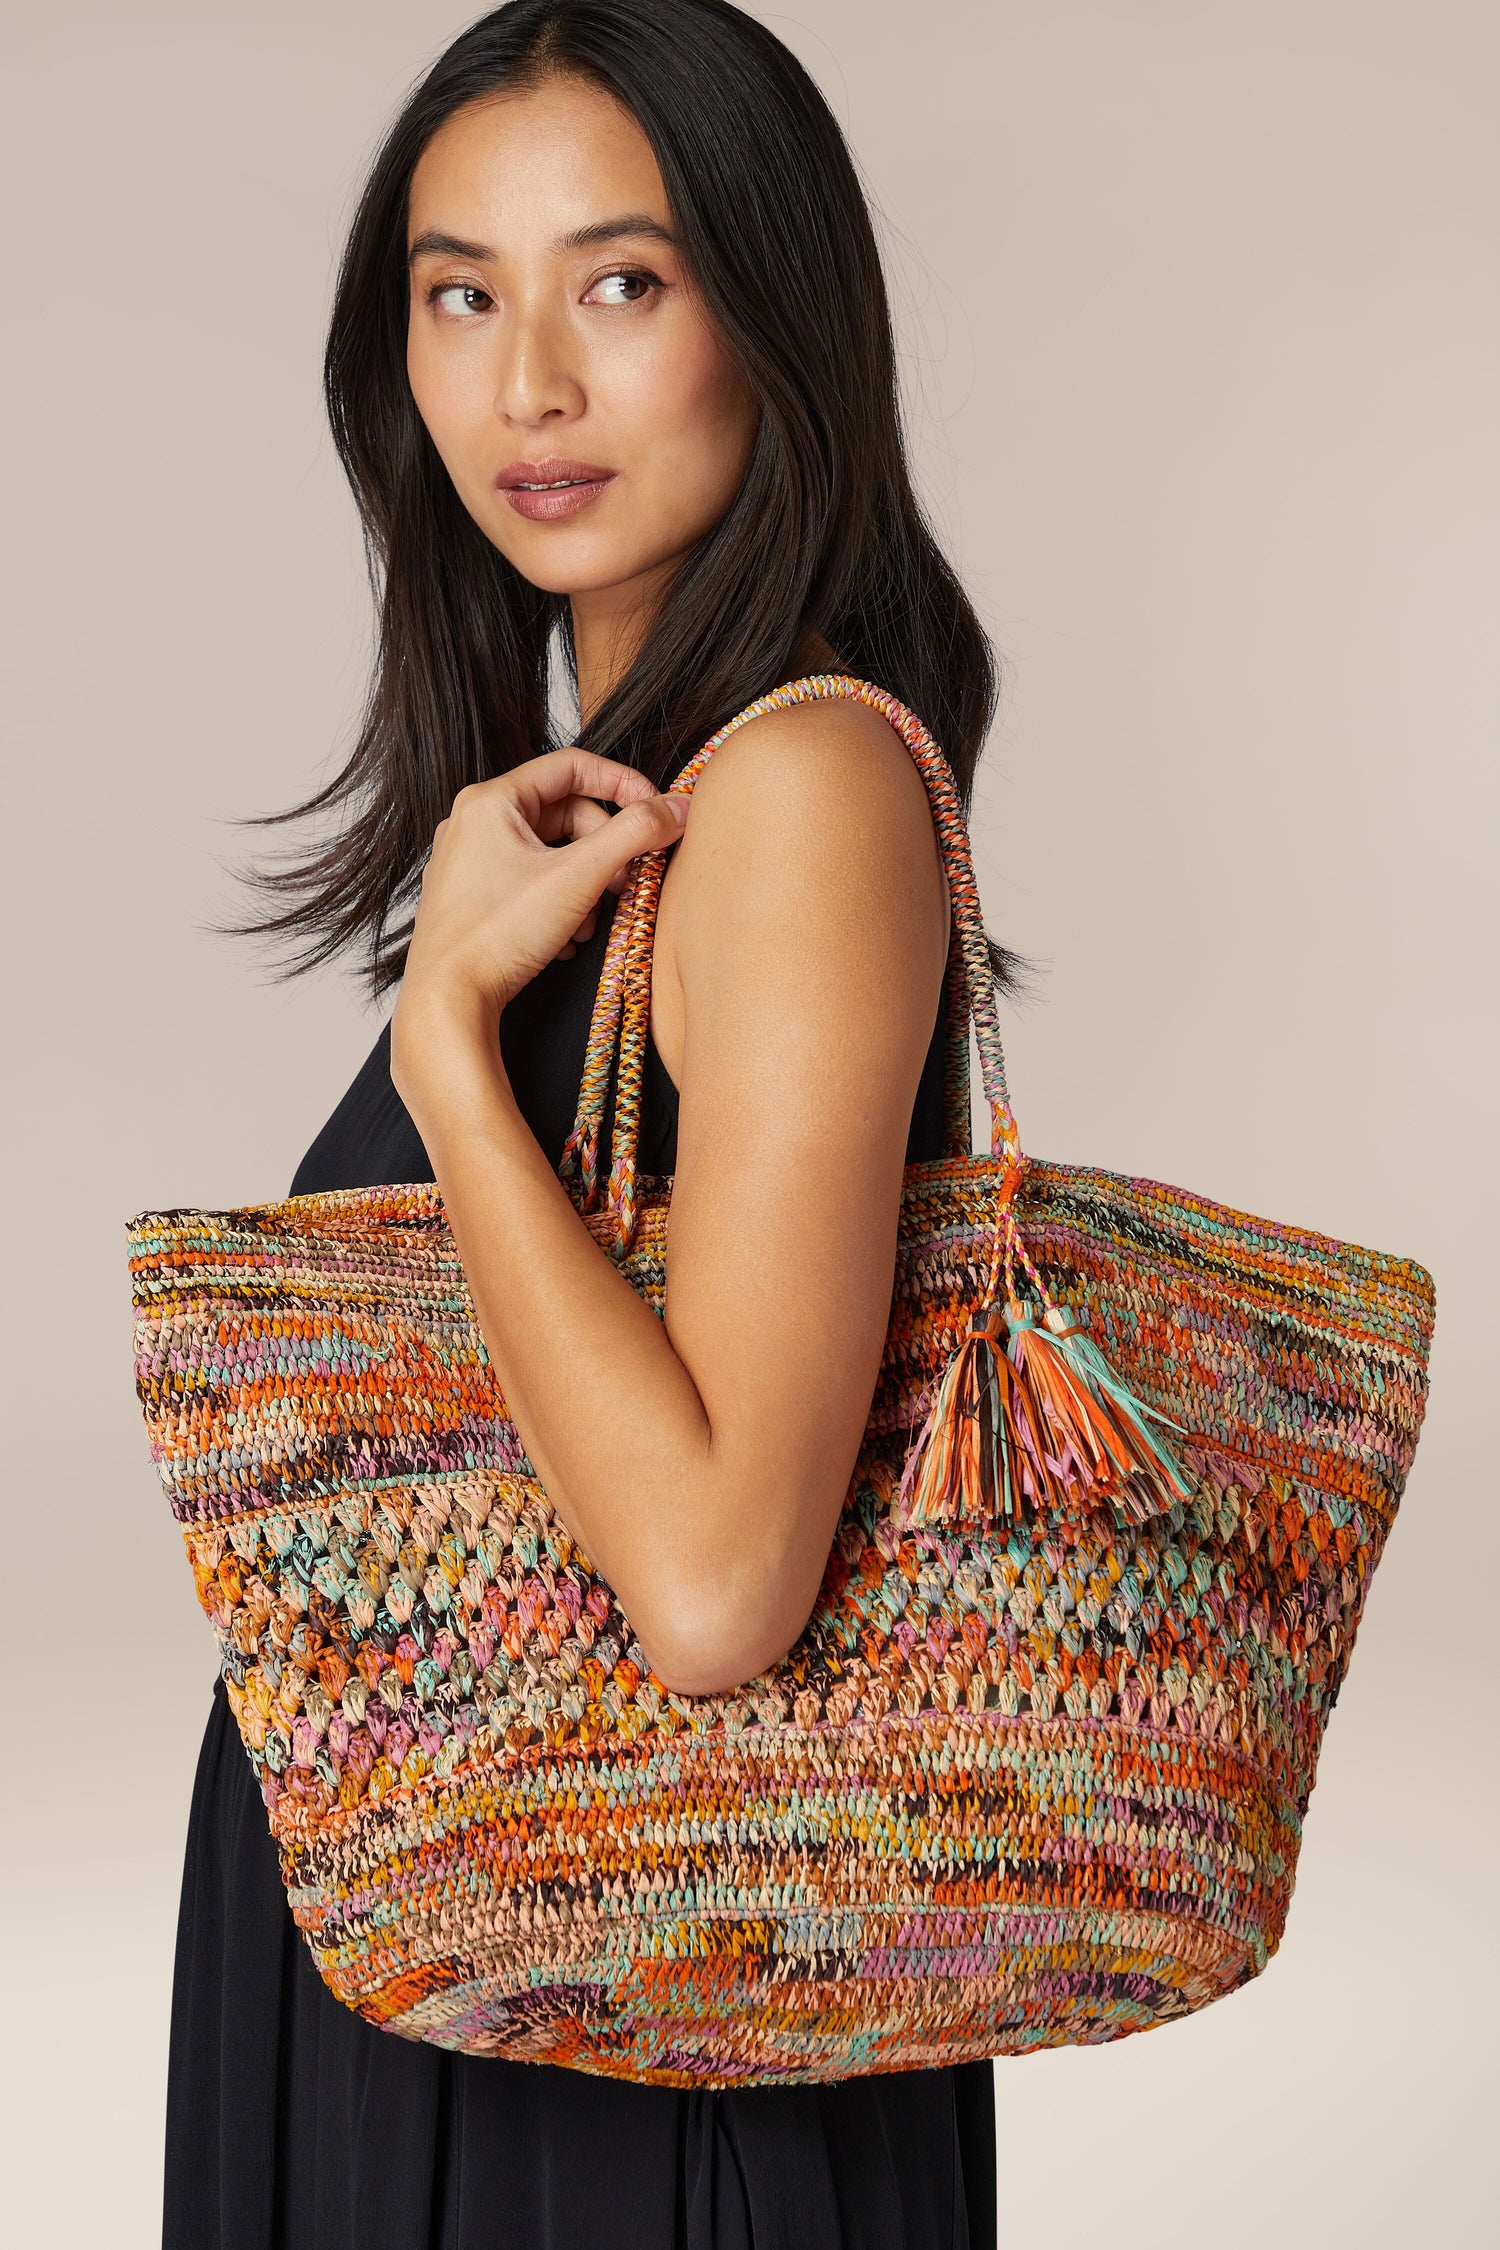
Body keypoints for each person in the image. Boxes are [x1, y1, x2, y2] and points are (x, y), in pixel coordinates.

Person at [166, 3, 1012, 2243]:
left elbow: (720, 1580)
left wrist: (449, 1051)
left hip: (629, 2059)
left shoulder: (803, 789)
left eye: (619, 282)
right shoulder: (626, 811)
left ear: (777, 313)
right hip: (451, 1964)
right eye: (463, 292)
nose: (526, 380)